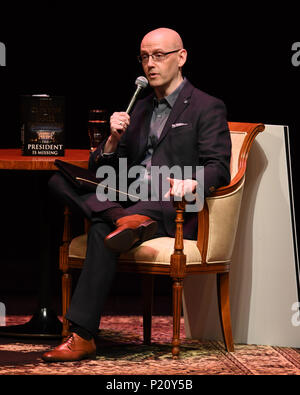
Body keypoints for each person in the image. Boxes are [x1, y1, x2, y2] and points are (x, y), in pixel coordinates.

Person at [42, 27, 231, 362]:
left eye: (159, 55)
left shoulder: (206, 106)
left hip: (168, 203)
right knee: (60, 180)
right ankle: (123, 220)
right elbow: (100, 166)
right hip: (127, 197)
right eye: (144, 57)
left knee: (101, 231)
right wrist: (112, 140)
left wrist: (194, 182)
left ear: (181, 57)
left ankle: (82, 336)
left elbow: (219, 167)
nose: (150, 64)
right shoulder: (140, 107)